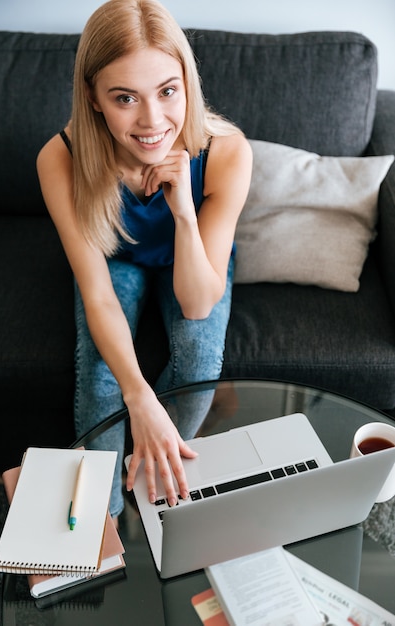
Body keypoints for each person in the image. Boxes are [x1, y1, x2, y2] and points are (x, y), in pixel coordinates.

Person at [36, 0, 252, 520]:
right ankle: (103, 523)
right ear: (93, 98)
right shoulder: (60, 160)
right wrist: (141, 398)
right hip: (118, 255)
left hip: (192, 254)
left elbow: (198, 303)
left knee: (201, 360)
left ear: (186, 82)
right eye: (125, 98)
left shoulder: (227, 151)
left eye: (167, 91)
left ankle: (152, 495)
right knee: (101, 378)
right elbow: (97, 296)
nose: (153, 121)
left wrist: (183, 214)